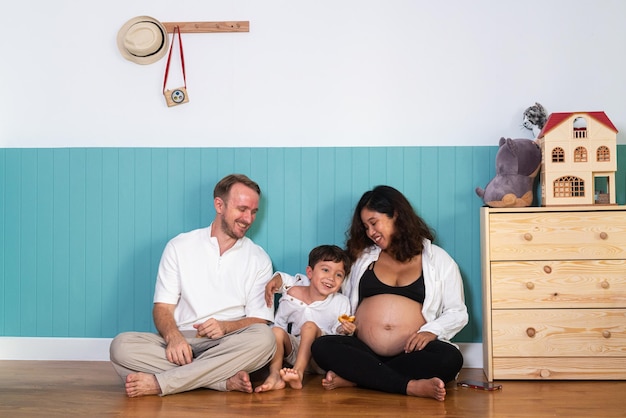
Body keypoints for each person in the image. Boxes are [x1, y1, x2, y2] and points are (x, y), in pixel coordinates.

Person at [266, 185, 468, 401]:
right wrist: (284, 281)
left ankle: (359, 378)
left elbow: (457, 311)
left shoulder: (438, 260)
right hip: (363, 349)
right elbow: (325, 280)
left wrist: (431, 331)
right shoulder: (363, 258)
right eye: (365, 227)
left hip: (411, 352)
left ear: (396, 215)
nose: (370, 232)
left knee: (450, 358)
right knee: (323, 346)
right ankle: (408, 386)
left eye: (373, 223)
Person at [109, 174, 276, 397]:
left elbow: (259, 319)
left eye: (253, 212)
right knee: (121, 347)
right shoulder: (179, 246)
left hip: (228, 343)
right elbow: (162, 308)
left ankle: (161, 383)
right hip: (183, 342)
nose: (248, 218)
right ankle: (221, 382)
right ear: (219, 205)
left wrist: (226, 326)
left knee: (265, 338)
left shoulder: (258, 258)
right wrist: (174, 338)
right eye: (242, 209)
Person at [255, 245, 354, 393]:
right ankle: (275, 375)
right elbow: (279, 326)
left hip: (323, 357)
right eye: (325, 270)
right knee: (275, 331)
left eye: (339, 275)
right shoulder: (292, 295)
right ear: (310, 272)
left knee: (309, 326)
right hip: (297, 351)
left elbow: (337, 335)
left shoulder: (341, 301)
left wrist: (344, 329)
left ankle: (298, 373)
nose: (331, 278)